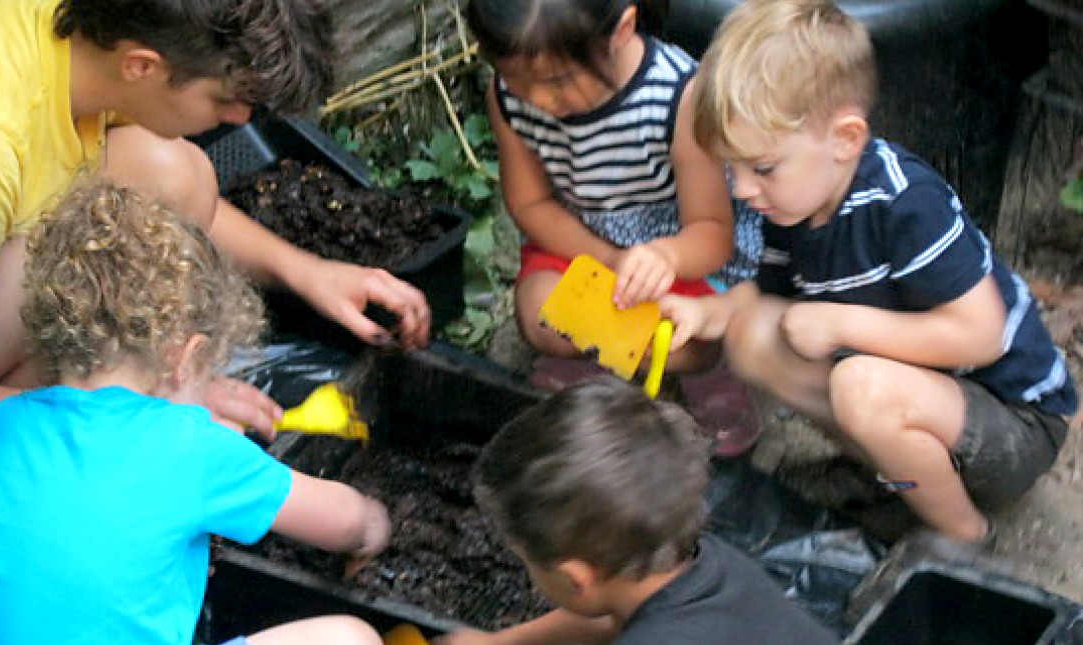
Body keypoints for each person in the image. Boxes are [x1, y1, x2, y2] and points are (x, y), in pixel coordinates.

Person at [0, 0, 427, 594]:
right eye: (228, 99)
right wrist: (138, 420)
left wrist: (306, 270)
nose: (241, 121)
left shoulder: (88, 38)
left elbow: (162, 181)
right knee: (103, 312)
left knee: (172, 175)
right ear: (142, 66)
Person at [660, 0, 1078, 543]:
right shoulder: (794, 205)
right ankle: (901, 477)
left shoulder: (905, 205)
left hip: (1012, 428)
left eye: (761, 167)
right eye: (731, 168)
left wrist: (838, 324)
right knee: (753, 334)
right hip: (922, 405)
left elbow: (981, 336)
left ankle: (961, 533)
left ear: (845, 139)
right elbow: (762, 296)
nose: (741, 189)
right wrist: (704, 310)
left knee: (861, 386)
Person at [0, 181, 391, 645]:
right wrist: (373, 527)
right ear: (183, 357)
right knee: (351, 637)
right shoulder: (192, 450)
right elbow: (341, 521)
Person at [464, 0, 762, 374]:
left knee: (682, 344)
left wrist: (665, 258)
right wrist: (606, 259)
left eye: (558, 80)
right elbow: (530, 204)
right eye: (512, 76)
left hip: (678, 260)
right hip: (578, 243)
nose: (537, 99)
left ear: (621, 31)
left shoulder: (680, 97)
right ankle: (602, 360)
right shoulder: (509, 97)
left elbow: (713, 233)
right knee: (541, 314)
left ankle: (705, 374)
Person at [436, 378, 839, 645]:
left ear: (573, 577)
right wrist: (499, 643)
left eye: (528, 562)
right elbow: (608, 618)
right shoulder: (706, 566)